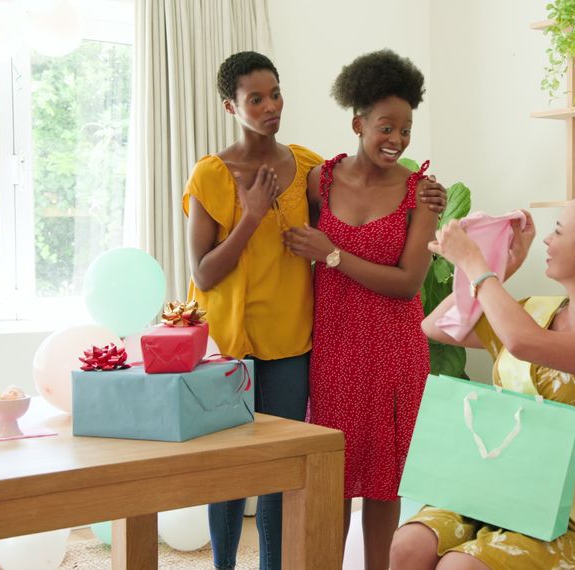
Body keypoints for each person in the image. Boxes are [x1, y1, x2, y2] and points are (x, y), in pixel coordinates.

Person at [183, 51, 445, 570]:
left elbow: (388, 252)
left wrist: (419, 198)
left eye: (274, 94)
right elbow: (204, 273)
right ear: (230, 106)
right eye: (255, 98)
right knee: (246, 473)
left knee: (314, 476)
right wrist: (253, 215)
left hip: (322, 345)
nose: (269, 106)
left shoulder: (310, 169)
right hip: (267, 347)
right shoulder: (244, 176)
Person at [390, 190, 575, 570]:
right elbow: (440, 326)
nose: (546, 239)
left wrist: (476, 264)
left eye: (558, 230)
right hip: (492, 490)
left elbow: (525, 343)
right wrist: (499, 267)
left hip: (572, 519)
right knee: (408, 545)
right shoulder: (533, 312)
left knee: (463, 567)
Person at [281, 49, 438, 570]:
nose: (396, 141)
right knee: (335, 476)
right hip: (335, 349)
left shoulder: (420, 195)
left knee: (384, 481)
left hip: (394, 350)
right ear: (357, 122)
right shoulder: (317, 183)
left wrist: (331, 254)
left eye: (406, 130)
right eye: (385, 127)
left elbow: (408, 283)